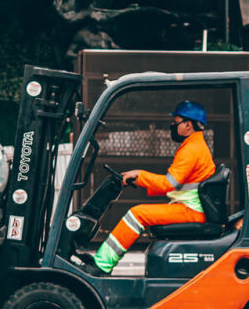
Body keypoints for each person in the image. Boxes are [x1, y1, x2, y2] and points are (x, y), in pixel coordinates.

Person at [80, 101, 216, 276]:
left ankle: (101, 266)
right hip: (189, 208)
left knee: (137, 214)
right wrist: (138, 180)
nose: (172, 127)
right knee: (139, 212)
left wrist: (140, 175)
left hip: (191, 211)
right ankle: (102, 262)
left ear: (188, 125)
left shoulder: (191, 150)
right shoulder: (195, 147)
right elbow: (174, 184)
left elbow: (168, 184)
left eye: (175, 123)